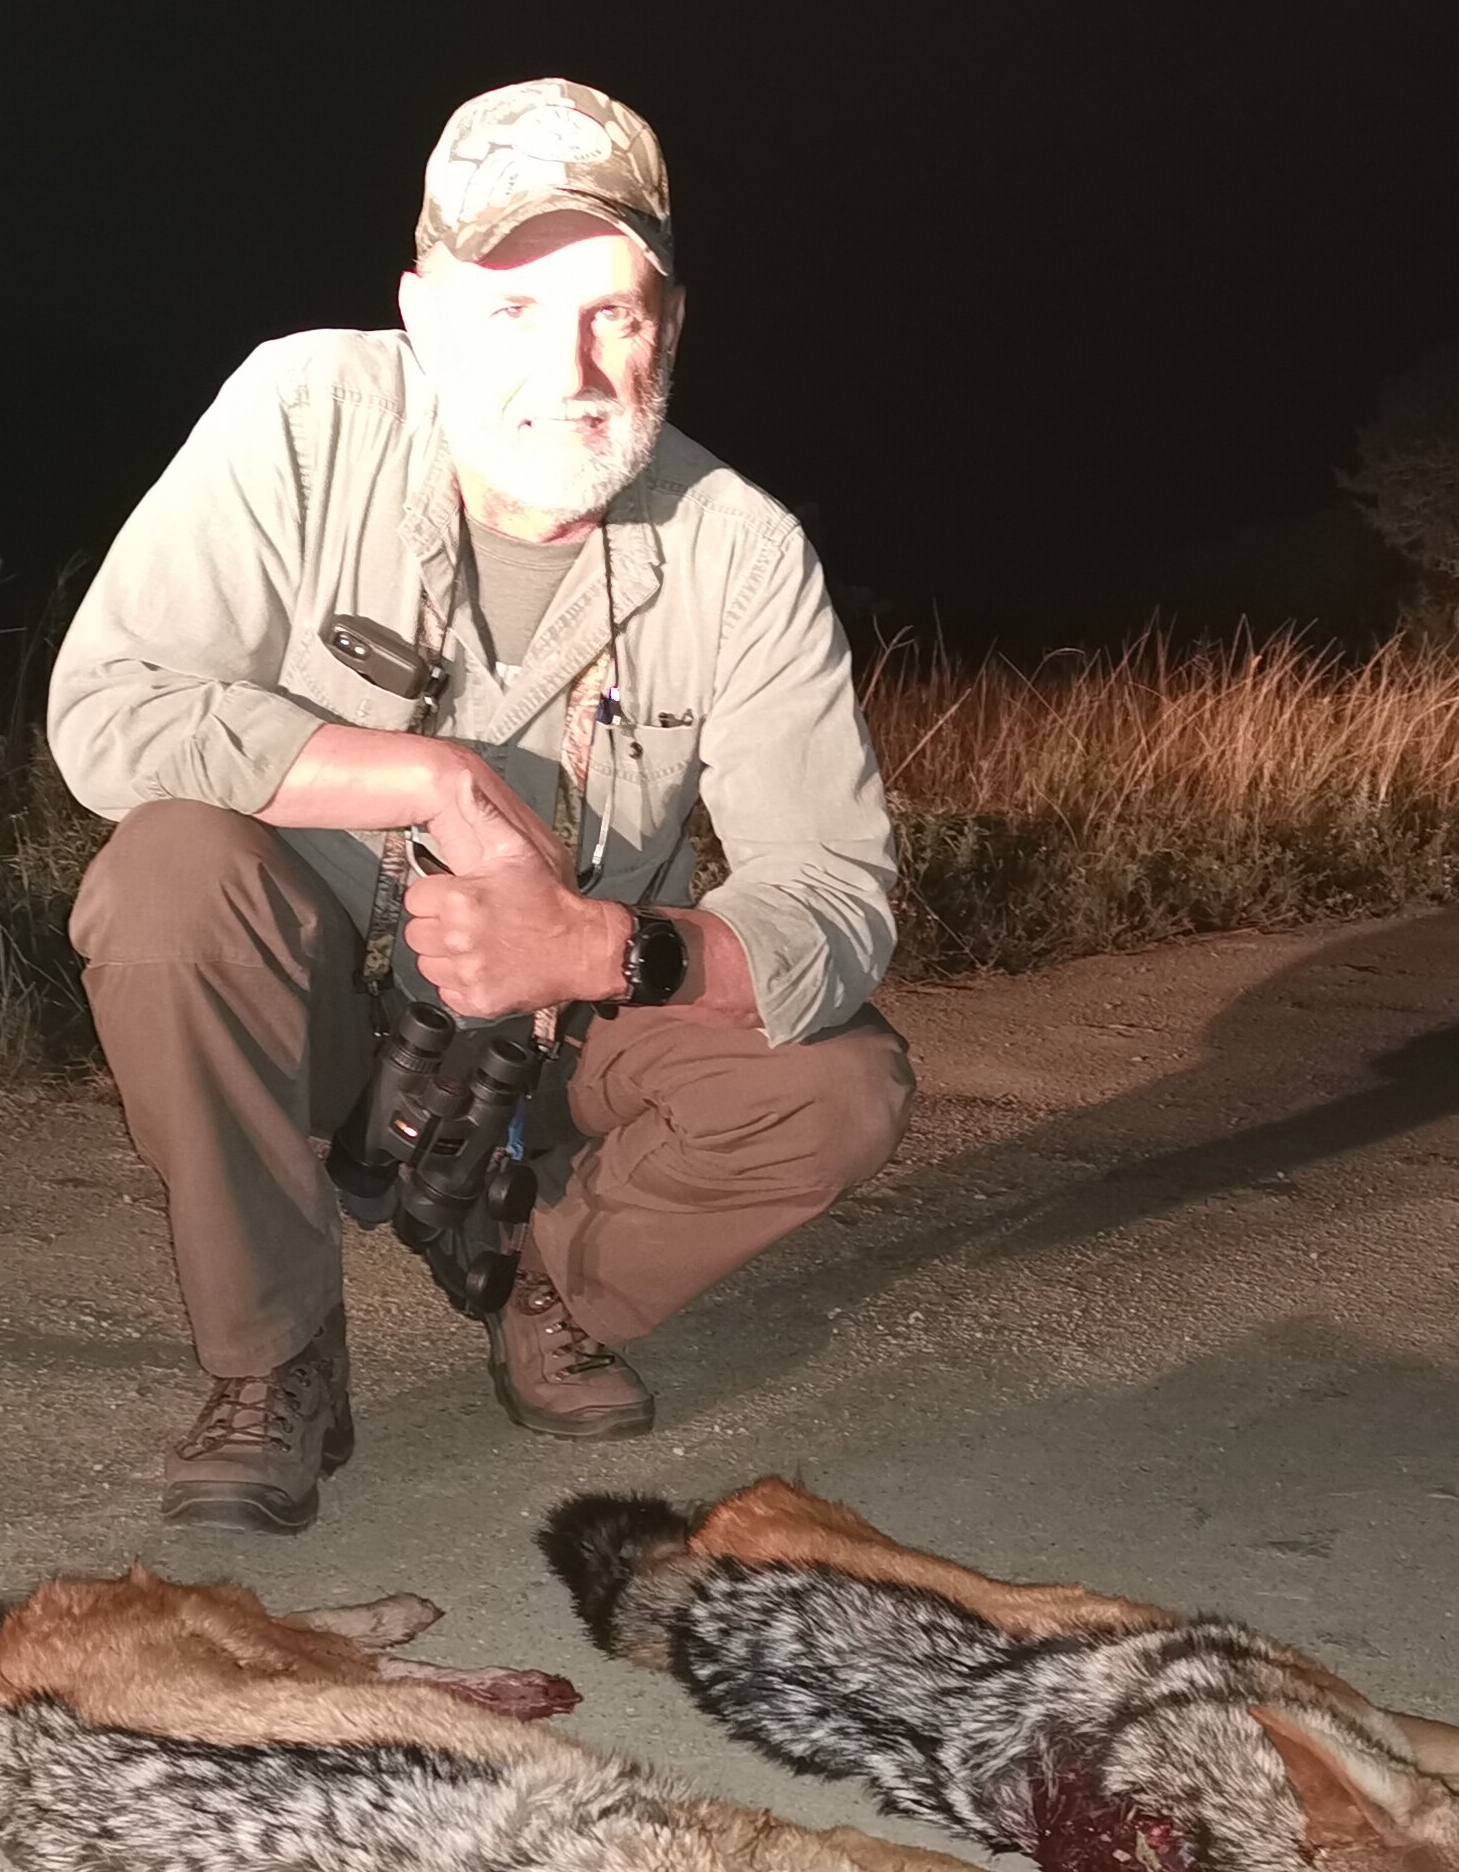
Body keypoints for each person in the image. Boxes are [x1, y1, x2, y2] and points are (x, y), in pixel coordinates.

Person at [50, 79, 912, 1531]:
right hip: (306, 1005)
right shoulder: (300, 411)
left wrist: (605, 955)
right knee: (164, 877)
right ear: (423, 312)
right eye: (509, 308)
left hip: (545, 1043)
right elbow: (110, 706)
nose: (568, 366)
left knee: (841, 1086)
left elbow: (835, 891)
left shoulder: (746, 552)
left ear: (670, 328)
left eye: (612, 314)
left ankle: (552, 1289)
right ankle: (275, 1358)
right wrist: (433, 782)